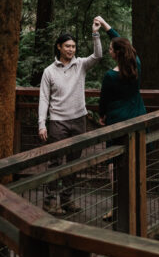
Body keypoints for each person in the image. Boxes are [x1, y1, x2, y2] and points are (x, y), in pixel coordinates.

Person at [38, 16, 111, 214]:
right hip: (57, 122)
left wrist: (96, 32)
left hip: (79, 119)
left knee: (74, 163)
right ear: (59, 47)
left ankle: (66, 200)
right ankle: (49, 201)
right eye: (67, 46)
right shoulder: (49, 72)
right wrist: (41, 124)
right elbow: (44, 98)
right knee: (55, 162)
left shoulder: (80, 65)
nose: (71, 49)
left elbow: (97, 56)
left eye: (73, 46)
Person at [95, 17, 145, 223]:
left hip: (116, 122)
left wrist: (101, 116)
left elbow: (104, 100)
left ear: (116, 54)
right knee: (135, 162)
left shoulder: (110, 76)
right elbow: (127, 46)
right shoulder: (137, 66)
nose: (108, 51)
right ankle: (136, 204)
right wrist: (107, 26)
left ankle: (118, 208)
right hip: (136, 119)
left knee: (114, 165)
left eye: (110, 49)